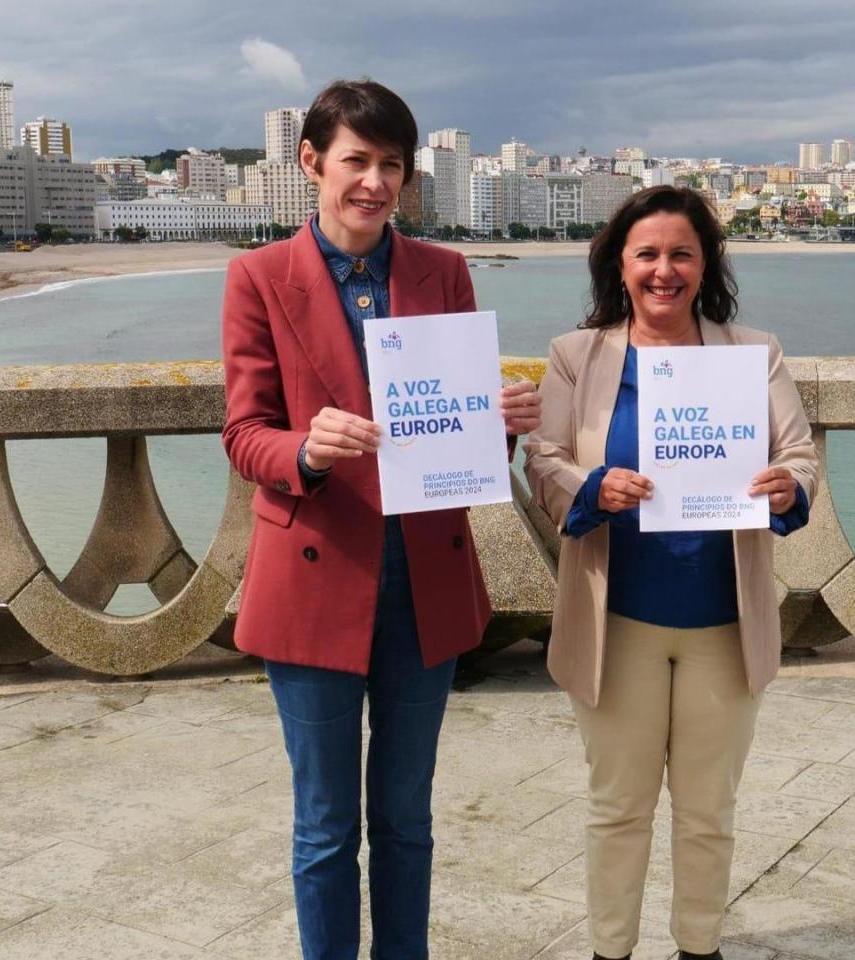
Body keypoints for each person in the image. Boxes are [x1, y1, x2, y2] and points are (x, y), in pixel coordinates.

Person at [220, 78, 540, 960]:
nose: (374, 182)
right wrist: (308, 451)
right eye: (356, 161)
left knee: (406, 818)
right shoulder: (258, 276)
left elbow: (462, 444)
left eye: (391, 165)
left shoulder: (444, 270)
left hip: (424, 581)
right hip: (316, 579)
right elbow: (245, 436)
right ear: (311, 161)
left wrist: (499, 424)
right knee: (325, 828)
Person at [525, 186, 816, 960]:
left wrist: (790, 485)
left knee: (708, 809)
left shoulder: (754, 354)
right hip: (616, 621)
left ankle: (700, 949)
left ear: (705, 263)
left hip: (724, 621)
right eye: (646, 253)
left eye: (681, 253)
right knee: (617, 807)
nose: (664, 270)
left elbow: (800, 457)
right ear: (618, 265)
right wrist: (592, 487)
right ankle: (609, 951)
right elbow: (543, 459)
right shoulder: (574, 355)